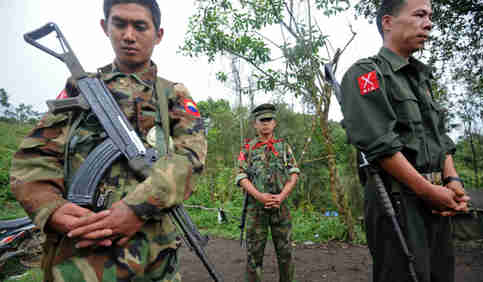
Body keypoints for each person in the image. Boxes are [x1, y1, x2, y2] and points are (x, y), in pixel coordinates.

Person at [10, 0, 207, 281]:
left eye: (140, 26)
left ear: (158, 34)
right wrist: (52, 208)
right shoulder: (81, 88)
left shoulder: (172, 95)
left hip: (152, 262)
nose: (128, 35)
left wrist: (136, 208)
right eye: (119, 24)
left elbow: (191, 158)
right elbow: (34, 158)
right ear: (105, 27)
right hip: (76, 262)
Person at [339, 0, 469, 282]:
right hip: (397, 202)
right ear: (388, 22)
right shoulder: (366, 74)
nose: (429, 23)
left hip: (435, 200)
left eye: (430, 16)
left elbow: (439, 137)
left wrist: (452, 182)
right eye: (419, 14)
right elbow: (380, 145)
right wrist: (428, 191)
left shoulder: (421, 77)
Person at [235, 103, 300, 282]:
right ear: (255, 124)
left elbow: (294, 174)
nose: (265, 124)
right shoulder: (247, 149)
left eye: (269, 120)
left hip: (281, 209)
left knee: (286, 254)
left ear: (274, 123)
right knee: (254, 256)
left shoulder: (284, 147)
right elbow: (241, 177)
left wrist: (281, 196)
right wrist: (259, 196)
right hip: (256, 211)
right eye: (261, 121)